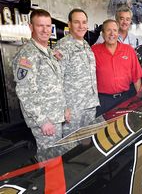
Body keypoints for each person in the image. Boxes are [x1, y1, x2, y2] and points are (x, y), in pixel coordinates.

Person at [12, 9, 69, 161]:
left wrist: (64, 109)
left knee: (57, 157)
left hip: (56, 116)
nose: (45, 30)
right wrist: (42, 121)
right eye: (40, 26)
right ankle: (51, 185)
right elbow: (25, 92)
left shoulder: (48, 51)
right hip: (45, 120)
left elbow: (56, 84)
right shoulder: (27, 55)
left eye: (48, 26)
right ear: (31, 27)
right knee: (50, 161)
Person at [54, 9, 100, 136]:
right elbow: (56, 79)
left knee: (87, 143)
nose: (81, 26)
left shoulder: (86, 45)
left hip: (89, 105)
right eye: (76, 22)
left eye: (84, 22)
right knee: (71, 146)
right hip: (73, 108)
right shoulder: (63, 47)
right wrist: (63, 108)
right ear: (69, 24)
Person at [91, 19, 142, 116]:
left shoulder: (128, 50)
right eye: (108, 30)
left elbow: (136, 77)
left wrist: (140, 98)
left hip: (125, 99)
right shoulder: (93, 51)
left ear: (118, 33)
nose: (112, 34)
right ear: (102, 34)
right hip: (103, 101)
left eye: (115, 30)